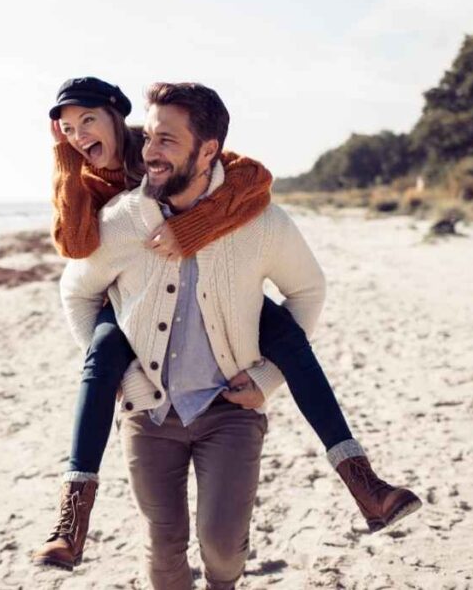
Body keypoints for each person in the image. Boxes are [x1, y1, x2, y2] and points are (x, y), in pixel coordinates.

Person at [33, 78, 420, 575]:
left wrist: (264, 379)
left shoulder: (247, 209)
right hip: (145, 383)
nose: (151, 149)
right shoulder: (114, 205)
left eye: (89, 121)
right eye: (68, 128)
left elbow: (255, 181)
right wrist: (65, 159)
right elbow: (74, 256)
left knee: (286, 340)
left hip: (228, 399)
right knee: (105, 359)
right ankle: (72, 514)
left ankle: (362, 479)